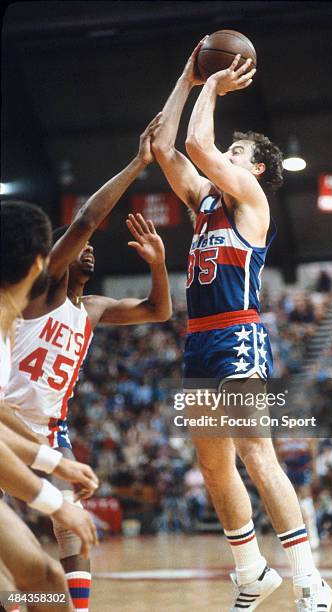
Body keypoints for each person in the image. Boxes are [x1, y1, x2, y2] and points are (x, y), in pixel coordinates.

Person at [151, 40, 332, 611]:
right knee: (211, 464)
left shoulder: (251, 198)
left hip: (238, 335)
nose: (224, 154)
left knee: (257, 452)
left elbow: (197, 143)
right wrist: (188, 72)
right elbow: (164, 143)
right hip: (199, 339)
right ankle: (251, 571)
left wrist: (212, 84)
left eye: (237, 150)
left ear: (254, 167)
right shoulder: (203, 201)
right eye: (228, 149)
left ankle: (309, 579)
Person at [4, 116, 171, 612]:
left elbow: (157, 311)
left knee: (69, 528)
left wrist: (159, 264)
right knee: (32, 556)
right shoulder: (43, 293)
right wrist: (137, 164)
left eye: (93, 251)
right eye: (83, 251)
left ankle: (78, 608)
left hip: (50, 427)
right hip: (7, 417)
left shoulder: (93, 308)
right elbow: (85, 222)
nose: (91, 253)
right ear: (56, 257)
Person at [0, 201, 97, 611]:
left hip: (37, 433)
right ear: (41, 262)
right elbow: (87, 220)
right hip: (32, 432)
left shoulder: (9, 321)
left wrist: (56, 465)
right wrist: (54, 499)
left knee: (45, 584)